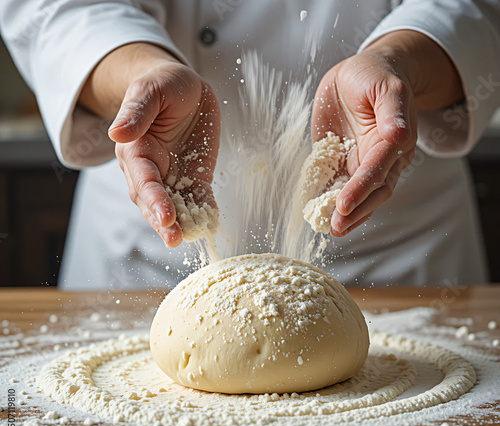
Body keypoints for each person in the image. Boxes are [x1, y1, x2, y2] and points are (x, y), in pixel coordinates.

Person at [1, 0, 499, 289]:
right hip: (152, 258)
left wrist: (396, 64)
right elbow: (58, 9)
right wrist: (141, 73)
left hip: (392, 259)